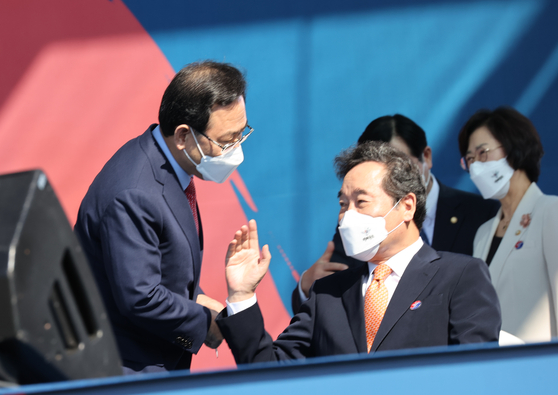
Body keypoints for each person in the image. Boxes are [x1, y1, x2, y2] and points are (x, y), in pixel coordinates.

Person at [217, 142, 501, 364]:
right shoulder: (327, 294)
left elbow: (475, 372)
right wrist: (241, 296)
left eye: (361, 201)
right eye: (343, 204)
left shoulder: (460, 276)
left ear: (407, 206)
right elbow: (271, 371)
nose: (347, 216)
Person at [74, 61, 254, 373]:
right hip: (128, 368)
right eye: (226, 141)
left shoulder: (168, 164)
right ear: (184, 135)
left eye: (242, 134)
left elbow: (157, 265)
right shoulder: (136, 192)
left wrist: (197, 299)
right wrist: (203, 324)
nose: (235, 150)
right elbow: (140, 297)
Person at [292, 115, 500, 313]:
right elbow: (327, 304)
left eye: (400, 166)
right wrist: (306, 286)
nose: (391, 179)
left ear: (426, 157)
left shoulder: (481, 213)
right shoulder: (357, 223)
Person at [458, 106, 558, 344]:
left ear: (514, 146)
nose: (476, 167)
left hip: (541, 365)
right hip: (496, 366)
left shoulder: (550, 211)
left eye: (483, 153)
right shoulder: (483, 233)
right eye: (469, 159)